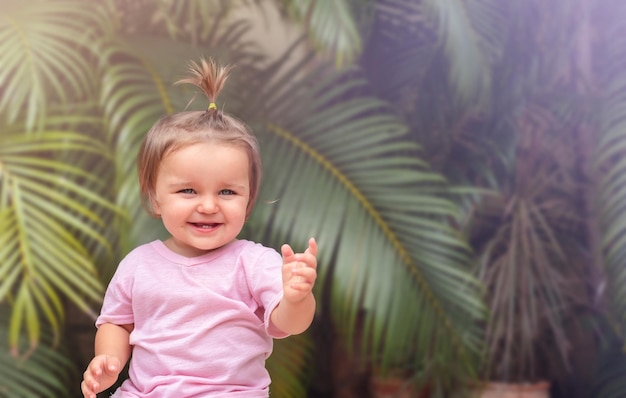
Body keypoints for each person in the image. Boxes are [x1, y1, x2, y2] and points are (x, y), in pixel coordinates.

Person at [80, 58, 318, 398]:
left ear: (248, 200)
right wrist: (108, 360)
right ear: (154, 195)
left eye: (227, 192)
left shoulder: (253, 263)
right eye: (188, 190)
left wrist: (297, 298)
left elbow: (289, 323)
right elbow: (117, 322)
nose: (208, 206)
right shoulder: (138, 264)